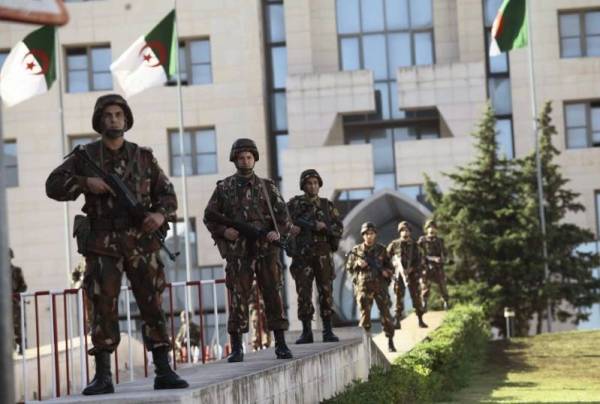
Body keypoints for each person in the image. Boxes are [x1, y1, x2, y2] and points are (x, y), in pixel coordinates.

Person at [45, 94, 188, 395]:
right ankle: (103, 376)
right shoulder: (85, 158)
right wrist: (85, 184)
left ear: (126, 120)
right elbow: (53, 185)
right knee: (102, 305)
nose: (113, 119)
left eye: (118, 115)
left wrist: (159, 216)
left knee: (152, 302)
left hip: (141, 242)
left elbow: (168, 195)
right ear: (99, 121)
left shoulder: (143, 157)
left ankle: (163, 369)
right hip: (103, 243)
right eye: (108, 115)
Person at [203, 138, 293, 363]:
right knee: (238, 297)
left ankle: (281, 343)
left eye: (249, 157)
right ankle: (236, 348)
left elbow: (284, 217)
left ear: (255, 158)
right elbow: (209, 216)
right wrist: (225, 232)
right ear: (235, 159)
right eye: (241, 157)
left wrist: (276, 233)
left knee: (273, 294)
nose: (245, 161)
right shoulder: (224, 188)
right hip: (238, 251)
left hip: (265, 248)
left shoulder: (267, 186)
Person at [287, 169, 342, 344]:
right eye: (309, 183)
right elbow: (281, 221)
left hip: (323, 255)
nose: (313, 186)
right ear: (303, 186)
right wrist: (291, 229)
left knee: (326, 292)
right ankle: (306, 331)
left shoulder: (327, 206)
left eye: (315, 183)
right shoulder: (294, 205)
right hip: (302, 256)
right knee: (303, 292)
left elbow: (339, 228)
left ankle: (327, 330)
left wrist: (324, 227)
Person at [345, 222, 396, 352]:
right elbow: (349, 268)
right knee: (365, 317)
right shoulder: (356, 250)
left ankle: (390, 341)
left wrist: (386, 272)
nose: (369, 236)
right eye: (367, 234)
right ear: (363, 235)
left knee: (385, 315)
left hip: (380, 287)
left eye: (371, 234)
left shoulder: (382, 250)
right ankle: (365, 344)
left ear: (375, 235)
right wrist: (357, 264)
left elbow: (391, 267)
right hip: (363, 287)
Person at [387, 221, 428, 329]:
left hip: (412, 275)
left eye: (407, 230)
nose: (405, 232)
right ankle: (397, 320)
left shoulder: (414, 245)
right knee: (398, 298)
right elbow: (385, 258)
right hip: (399, 276)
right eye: (403, 230)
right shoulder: (394, 244)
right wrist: (393, 265)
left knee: (416, 298)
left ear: (410, 232)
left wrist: (412, 269)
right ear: (399, 232)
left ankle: (420, 319)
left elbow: (420, 260)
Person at [418, 220, 450, 311]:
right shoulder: (422, 240)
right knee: (425, 286)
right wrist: (432, 259)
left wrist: (444, 259)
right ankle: (424, 303)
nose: (431, 229)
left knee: (442, 285)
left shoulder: (440, 241)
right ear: (426, 229)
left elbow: (445, 253)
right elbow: (419, 254)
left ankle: (446, 302)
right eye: (429, 227)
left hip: (438, 267)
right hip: (426, 266)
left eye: (433, 227)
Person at [10, 248, 27, 354]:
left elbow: (23, 286)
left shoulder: (17, 271)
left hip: (13, 302)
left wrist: (15, 295)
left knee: (17, 325)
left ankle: (20, 345)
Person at [249, 279, 271, 350]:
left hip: (264, 307)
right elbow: (249, 299)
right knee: (255, 323)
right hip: (255, 308)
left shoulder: (265, 282)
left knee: (266, 324)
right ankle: (255, 344)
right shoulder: (252, 285)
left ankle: (266, 342)